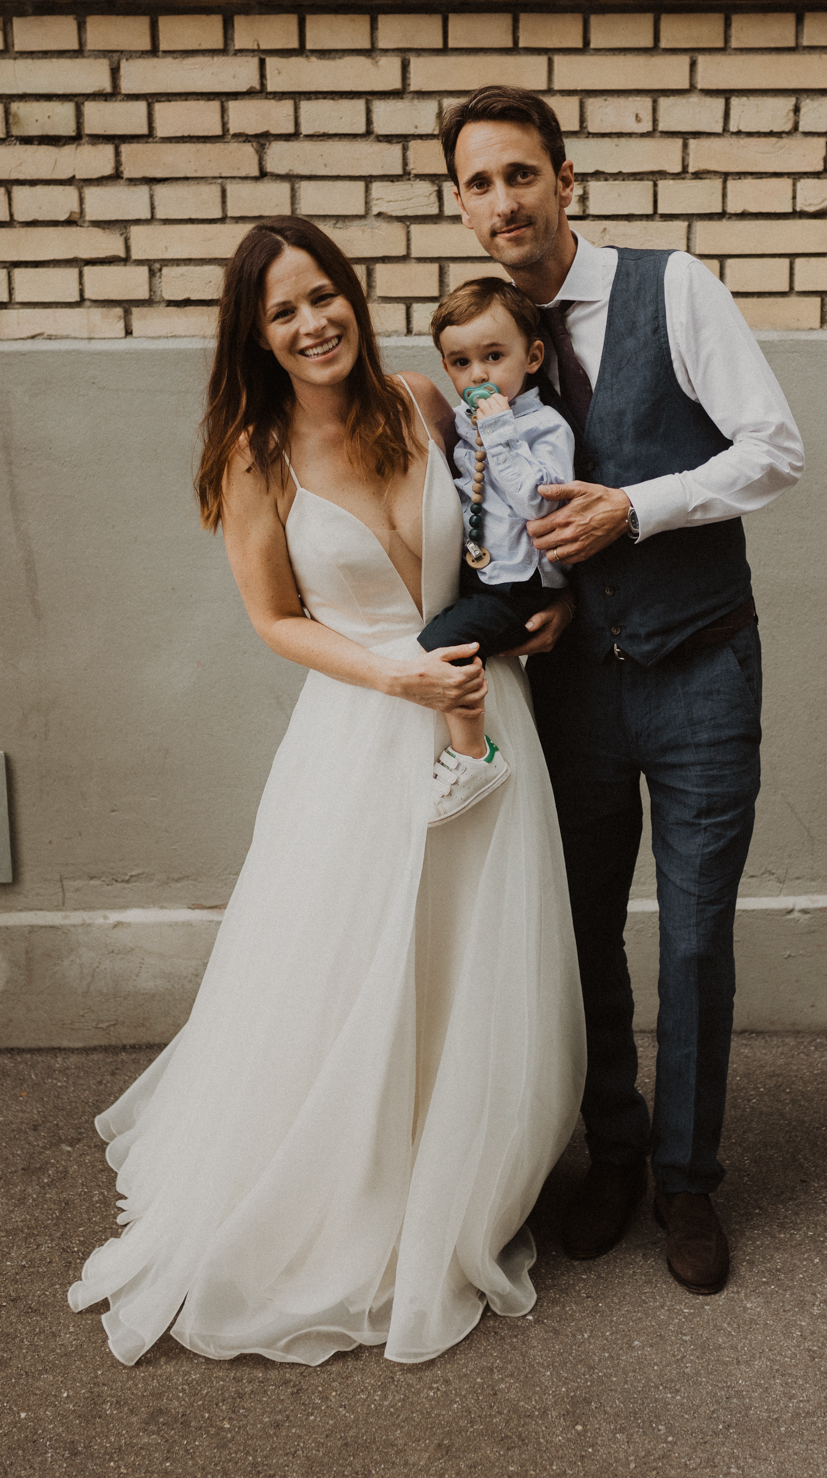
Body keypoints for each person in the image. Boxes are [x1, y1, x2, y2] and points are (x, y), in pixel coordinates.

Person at [67, 217, 586, 1365]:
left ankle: (463, 1166)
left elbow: (501, 524)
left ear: (352, 296)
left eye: (323, 296)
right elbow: (274, 620)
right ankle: (353, 1181)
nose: (312, 323)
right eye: (283, 311)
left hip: (482, 710)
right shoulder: (253, 458)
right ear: (255, 336)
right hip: (363, 730)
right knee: (353, 966)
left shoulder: (421, 401)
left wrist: (544, 607)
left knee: (469, 955)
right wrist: (397, 674)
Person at [439, 86, 804, 1293]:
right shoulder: (478, 338)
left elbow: (773, 449)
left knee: (693, 940)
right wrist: (526, 607)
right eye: (479, 183)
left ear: (565, 178)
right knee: (583, 930)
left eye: (520, 173)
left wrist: (634, 510)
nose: (504, 200)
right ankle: (614, 1149)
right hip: (574, 693)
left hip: (701, 666)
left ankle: (685, 1183)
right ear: (462, 206)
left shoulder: (674, 287)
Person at [417, 277, 576, 824]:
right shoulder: (466, 423)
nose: (478, 375)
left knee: (440, 645)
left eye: (493, 356)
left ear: (532, 357)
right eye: (460, 363)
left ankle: (474, 755)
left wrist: (500, 430)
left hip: (519, 584)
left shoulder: (544, 426)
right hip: (480, 572)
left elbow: (538, 502)